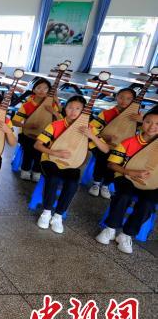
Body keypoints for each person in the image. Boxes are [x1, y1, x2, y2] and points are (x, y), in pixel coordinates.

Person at [33, 96, 109, 234]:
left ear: (84, 111)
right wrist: (54, 152)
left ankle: (58, 216)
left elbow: (105, 149)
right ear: (64, 108)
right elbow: (37, 145)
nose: (73, 111)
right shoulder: (55, 125)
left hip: (72, 164)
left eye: (78, 108)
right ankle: (46, 212)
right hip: (50, 160)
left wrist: (91, 136)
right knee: (54, 178)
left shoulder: (89, 128)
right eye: (70, 108)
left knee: (73, 182)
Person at [96, 110, 158, 254]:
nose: (152, 126)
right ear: (142, 121)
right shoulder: (129, 142)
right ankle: (110, 228)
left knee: (148, 203)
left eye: (157, 124)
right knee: (124, 196)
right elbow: (111, 164)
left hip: (150, 183)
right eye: (148, 122)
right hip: (125, 177)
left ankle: (126, 234)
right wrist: (130, 172)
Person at [88, 88, 142, 199]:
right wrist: (103, 136)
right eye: (121, 97)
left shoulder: (136, 117)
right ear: (116, 97)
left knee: (118, 161)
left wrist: (142, 120)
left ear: (133, 101)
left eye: (128, 99)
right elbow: (92, 127)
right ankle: (96, 182)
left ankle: (106, 184)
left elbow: (146, 132)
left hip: (122, 148)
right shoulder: (107, 113)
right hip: (102, 143)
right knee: (104, 156)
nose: (124, 101)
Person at [11, 79, 62, 182]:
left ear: (49, 91)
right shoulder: (27, 105)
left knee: (41, 151)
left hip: (45, 135)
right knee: (29, 149)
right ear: (34, 90)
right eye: (38, 88)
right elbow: (14, 121)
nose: (41, 91)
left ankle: (37, 171)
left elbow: (60, 121)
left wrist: (55, 112)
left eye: (45, 88)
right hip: (27, 134)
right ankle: (25, 169)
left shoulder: (52, 105)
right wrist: (26, 125)